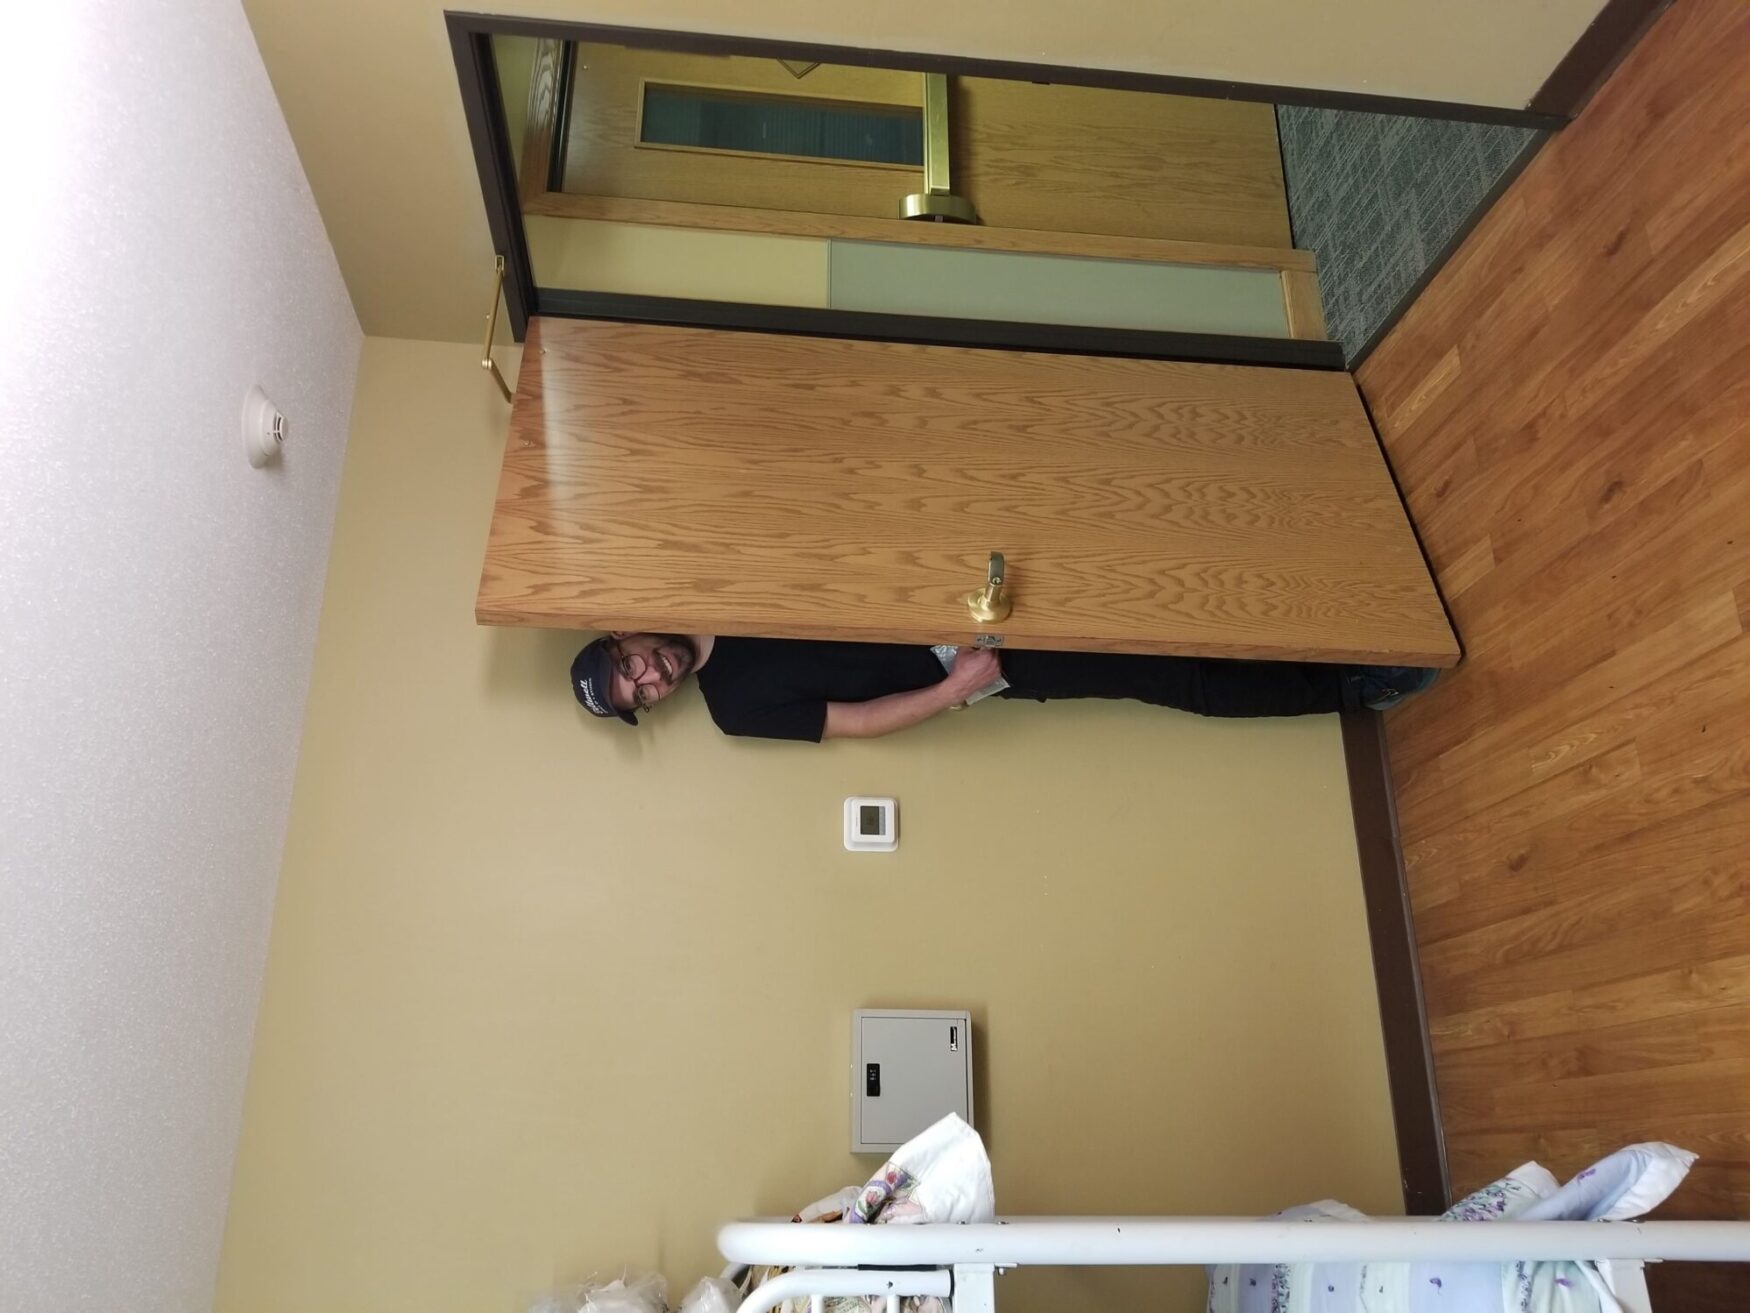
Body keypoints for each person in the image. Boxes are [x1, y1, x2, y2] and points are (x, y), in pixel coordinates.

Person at [569, 632, 1437, 743]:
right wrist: (958, 688)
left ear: (629, 635)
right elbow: (855, 720)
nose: (650, 677)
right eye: (639, 693)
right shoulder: (733, 709)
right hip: (967, 660)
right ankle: (1359, 679)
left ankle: (1350, 620)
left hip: (964, 574)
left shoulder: (717, 573)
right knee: (1163, 671)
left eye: (631, 664)